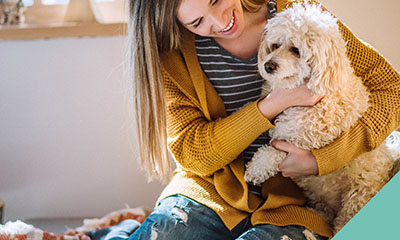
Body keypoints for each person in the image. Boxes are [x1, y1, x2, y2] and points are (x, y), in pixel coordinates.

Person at [87, 0, 400, 239]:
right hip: (208, 189)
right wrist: (274, 104)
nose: (221, 21)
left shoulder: (296, 16)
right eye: (197, 21)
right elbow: (194, 153)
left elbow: (392, 89)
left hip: (293, 199)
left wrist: (323, 159)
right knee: (165, 232)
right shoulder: (173, 53)